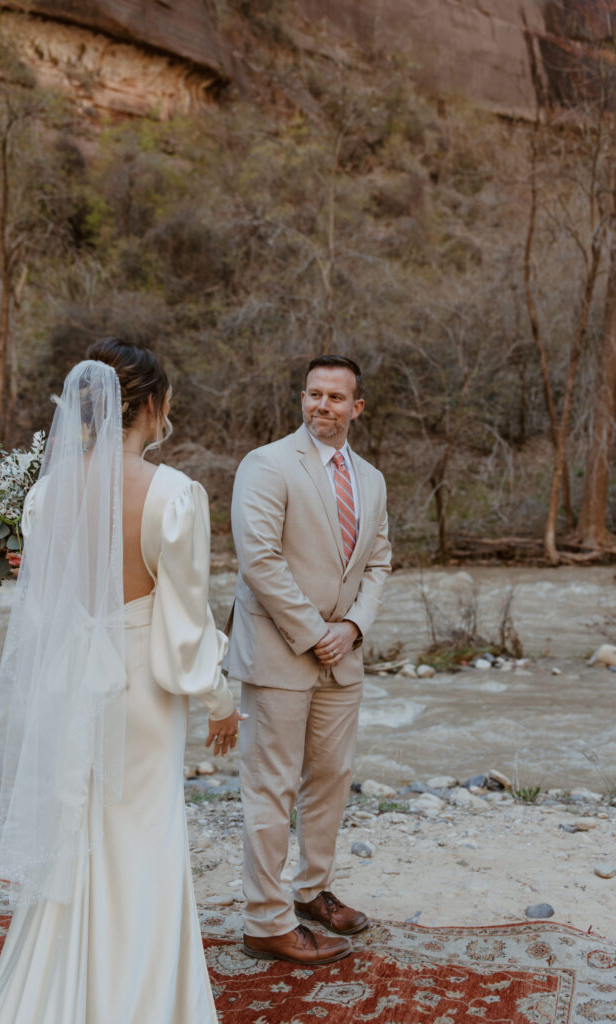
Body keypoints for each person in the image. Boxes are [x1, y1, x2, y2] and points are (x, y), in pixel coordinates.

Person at [0, 339, 242, 1023]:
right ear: (150, 405)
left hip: (68, 679)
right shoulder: (174, 494)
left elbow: (43, 613)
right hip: (139, 685)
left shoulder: (42, 495)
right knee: (143, 841)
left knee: (75, 831)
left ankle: (59, 989)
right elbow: (184, 623)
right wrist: (219, 697)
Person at [226, 354, 392, 966]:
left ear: (357, 407)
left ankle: (310, 892)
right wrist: (313, 631)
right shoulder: (267, 464)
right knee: (270, 788)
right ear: (303, 399)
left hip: (343, 656)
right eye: (313, 394)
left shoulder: (370, 478)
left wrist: (350, 627)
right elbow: (259, 558)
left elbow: (378, 562)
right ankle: (264, 920)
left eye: (335, 397)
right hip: (277, 651)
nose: (322, 405)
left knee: (330, 780)